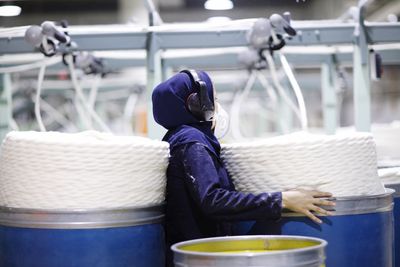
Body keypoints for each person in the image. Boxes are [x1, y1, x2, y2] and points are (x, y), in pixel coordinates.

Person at [152, 70, 335, 267]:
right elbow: (213, 200)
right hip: (201, 257)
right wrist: (283, 200)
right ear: (198, 104)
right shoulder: (192, 142)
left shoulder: (180, 138)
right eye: (214, 98)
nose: (217, 106)